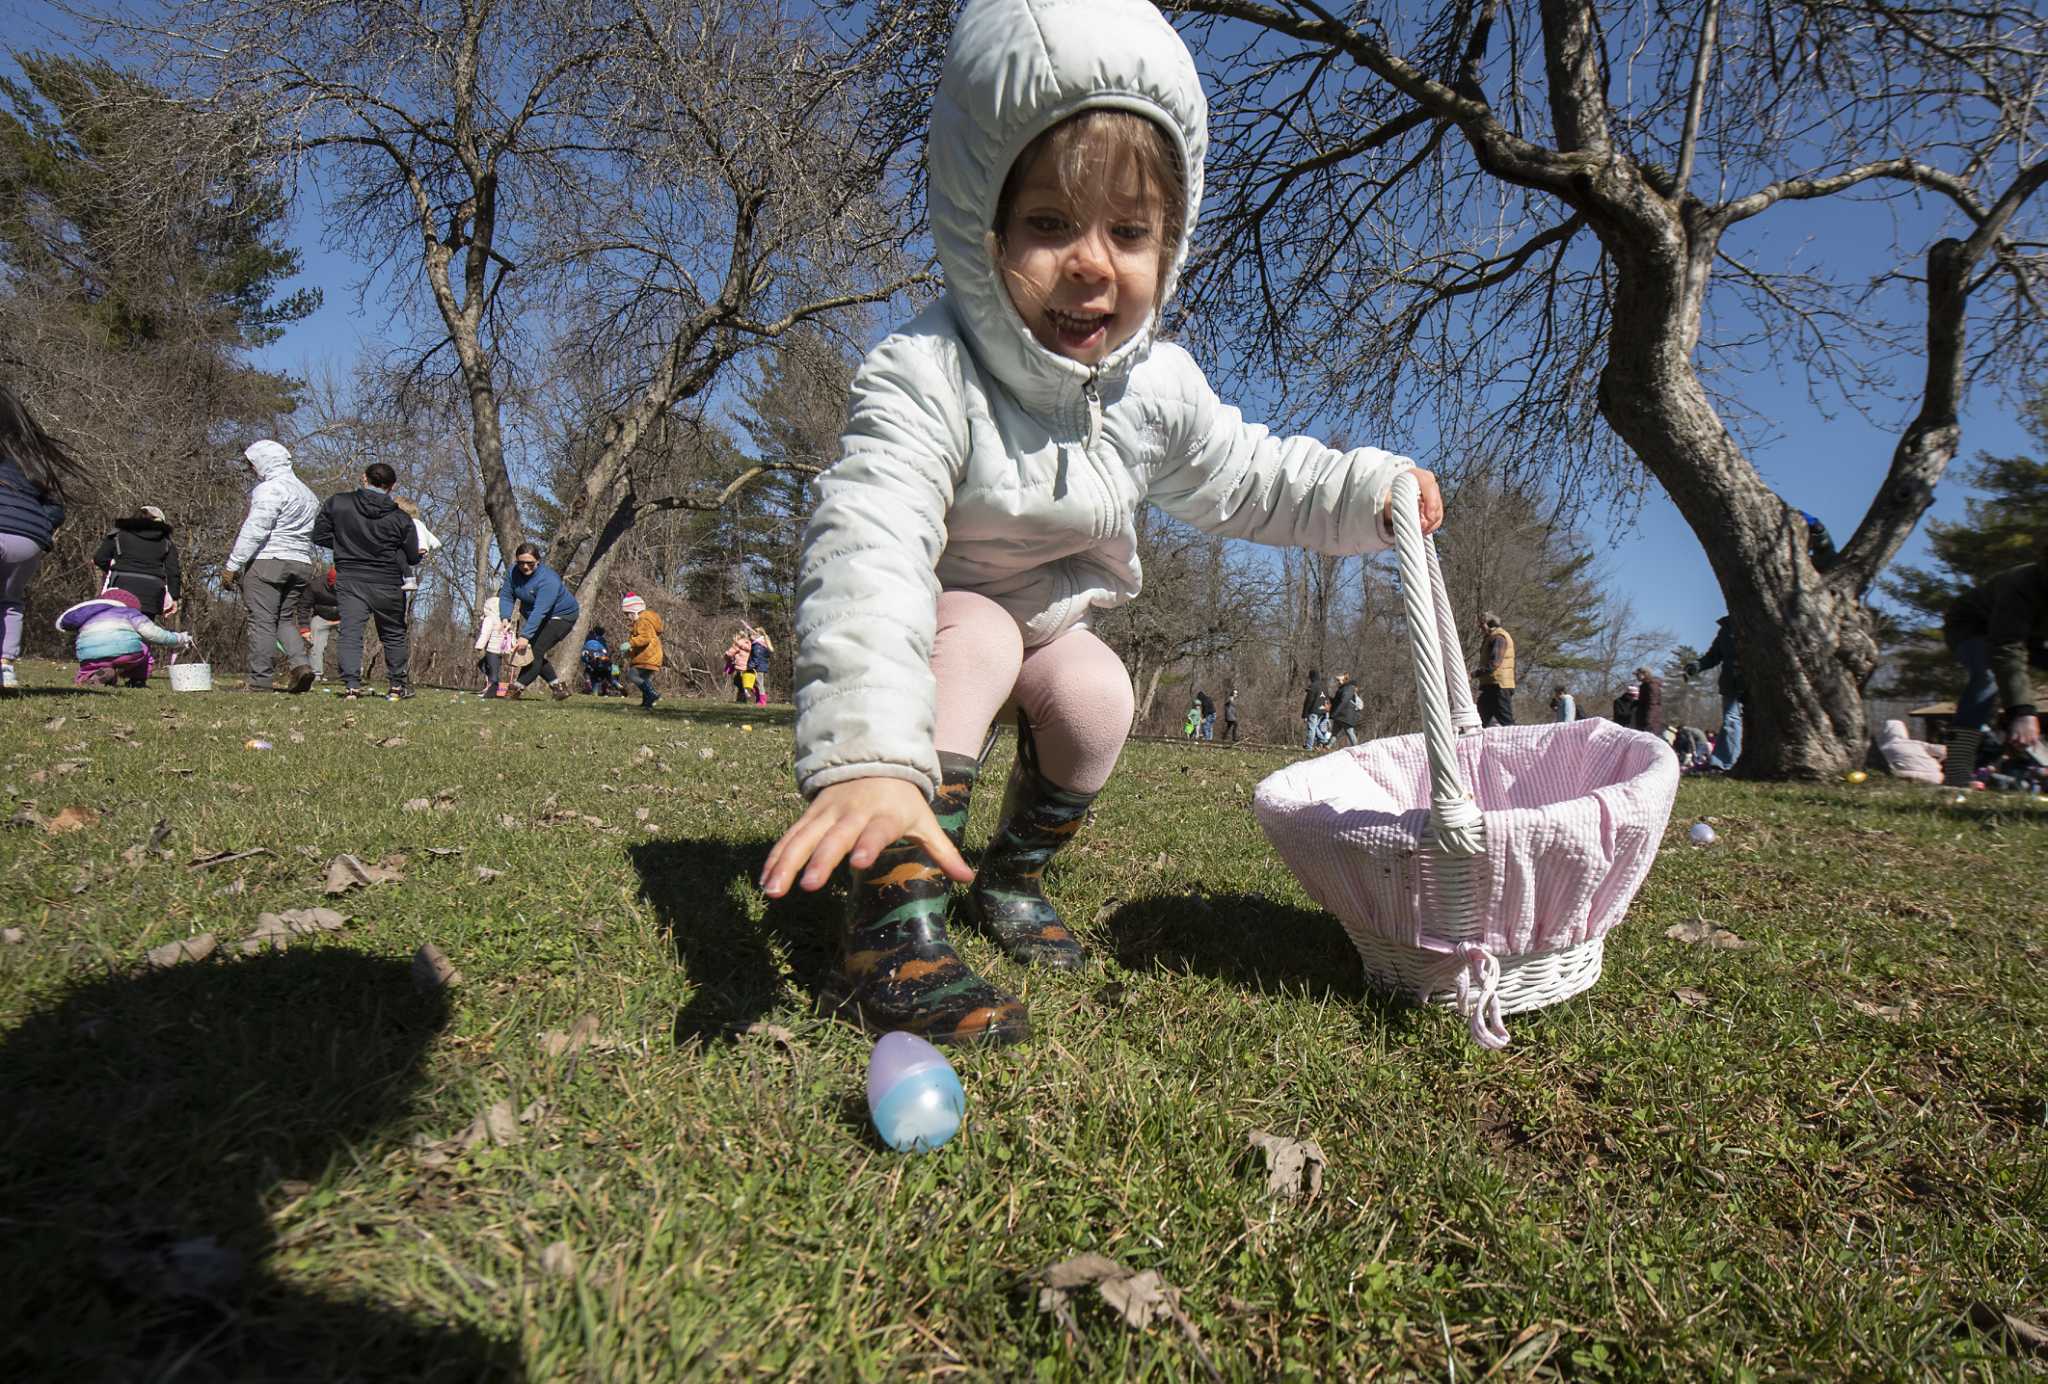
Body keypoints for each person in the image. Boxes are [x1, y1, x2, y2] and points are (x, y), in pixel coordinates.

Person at [757, 0, 1445, 1046]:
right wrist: (864, 755)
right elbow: (869, 547)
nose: (1089, 263)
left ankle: (1010, 876)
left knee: (1094, 691)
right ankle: (891, 920)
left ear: (1168, 245)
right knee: (979, 633)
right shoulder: (927, 372)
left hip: (1050, 626)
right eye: (1047, 224)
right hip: (941, 621)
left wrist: (1365, 494)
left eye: (1126, 232)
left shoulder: (1152, 389)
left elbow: (1245, 475)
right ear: (979, 228)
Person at [313, 462, 422, 701]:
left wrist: (347, 545)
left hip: (350, 577)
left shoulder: (338, 503)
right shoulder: (401, 518)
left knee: (351, 632)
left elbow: (319, 534)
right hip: (388, 581)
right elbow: (412, 556)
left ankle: (352, 685)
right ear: (392, 486)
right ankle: (396, 685)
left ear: (365, 479)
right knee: (393, 633)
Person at [0, 385, 84, 691]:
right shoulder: (30, 458)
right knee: (9, 602)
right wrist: (39, 531)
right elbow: (54, 508)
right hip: (29, 539)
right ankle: (5, 667)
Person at [1940, 554, 2047, 787]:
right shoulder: (2021, 584)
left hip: (2029, 636)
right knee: (1987, 676)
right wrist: (2022, 711)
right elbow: (2007, 649)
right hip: (1973, 626)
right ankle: (1957, 771)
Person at [223, 439, 319, 694]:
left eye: (253, 464)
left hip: (268, 561)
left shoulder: (270, 489)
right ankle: (301, 666)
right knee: (284, 619)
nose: (253, 470)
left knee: (262, 621)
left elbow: (255, 529)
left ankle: (260, 681)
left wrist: (233, 564)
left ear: (264, 462)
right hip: (300, 563)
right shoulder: (307, 493)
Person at [54, 587, 195, 686]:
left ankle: (89, 677)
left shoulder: (90, 616)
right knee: (144, 648)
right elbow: (155, 634)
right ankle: (137, 679)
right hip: (125, 653)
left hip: (89, 655)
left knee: (96, 661)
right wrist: (178, 639)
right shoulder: (129, 613)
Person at [496, 542, 579, 700]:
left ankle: (516, 689)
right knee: (535, 651)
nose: (525, 567)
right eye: (521, 563)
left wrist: (525, 635)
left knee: (534, 650)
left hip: (562, 615)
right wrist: (505, 617)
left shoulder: (548, 580)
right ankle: (559, 688)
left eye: (530, 563)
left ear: (538, 562)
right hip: (539, 615)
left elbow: (541, 610)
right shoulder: (513, 573)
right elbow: (507, 595)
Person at [93, 506, 182, 621]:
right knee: (143, 631)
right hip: (151, 594)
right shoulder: (166, 542)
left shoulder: (118, 534)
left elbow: (100, 558)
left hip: (121, 588)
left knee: (118, 628)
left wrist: (114, 569)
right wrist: (174, 597)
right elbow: (173, 571)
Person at [1683, 615, 1744, 772]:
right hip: (1732, 683)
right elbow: (1714, 655)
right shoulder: (1726, 629)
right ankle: (1723, 763)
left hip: (1756, 681)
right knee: (1731, 721)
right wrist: (1697, 666)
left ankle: (1727, 760)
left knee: (1738, 722)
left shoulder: (1759, 622)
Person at [296, 566, 341, 682]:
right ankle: (316, 674)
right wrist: (304, 629)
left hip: (344, 617)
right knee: (315, 645)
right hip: (321, 616)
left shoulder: (352, 584)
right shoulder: (315, 585)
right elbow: (303, 606)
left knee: (352, 642)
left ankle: (349, 674)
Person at [622, 593, 664, 710]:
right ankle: (647, 703)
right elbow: (640, 641)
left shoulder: (643, 621)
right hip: (650, 655)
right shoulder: (642, 621)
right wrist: (629, 652)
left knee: (633, 675)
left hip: (648, 656)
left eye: (628, 614)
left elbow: (645, 638)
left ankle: (652, 694)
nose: (627, 617)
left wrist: (629, 643)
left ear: (635, 611)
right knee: (643, 678)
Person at [1474, 613, 1516, 726]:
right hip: (1491, 685)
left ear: (1489, 624)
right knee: (1479, 720)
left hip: (1499, 686)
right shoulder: (1491, 637)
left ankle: (1518, 741)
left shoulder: (1498, 638)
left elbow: (1494, 664)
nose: (1481, 629)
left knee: (1506, 722)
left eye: (1482, 626)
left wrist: (1474, 674)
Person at [1631, 665, 1667, 740]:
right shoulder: (1645, 685)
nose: (1636, 677)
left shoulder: (1651, 685)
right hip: (1643, 719)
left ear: (1645, 674)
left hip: (1650, 722)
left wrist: (1649, 720)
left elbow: (1653, 703)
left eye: (1638, 674)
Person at [1330, 673, 1364, 746]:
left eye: (1340, 680)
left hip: (1345, 717)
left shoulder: (1348, 691)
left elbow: (1343, 702)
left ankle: (1357, 748)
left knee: (1349, 733)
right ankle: (1327, 747)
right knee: (1335, 733)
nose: (1338, 682)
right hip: (1342, 716)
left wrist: (1335, 712)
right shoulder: (1345, 690)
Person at [1300, 669, 1326, 750]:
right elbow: (1327, 699)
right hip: (1322, 711)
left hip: (1314, 711)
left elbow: (1309, 701)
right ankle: (1322, 740)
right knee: (1314, 727)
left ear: (1312, 677)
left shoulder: (1313, 686)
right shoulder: (1324, 686)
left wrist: (1305, 714)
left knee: (1311, 729)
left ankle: (1309, 747)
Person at [748, 627, 774, 705]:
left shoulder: (758, 646)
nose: (750, 635)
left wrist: (750, 666)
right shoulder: (759, 644)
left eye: (752, 634)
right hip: (759, 666)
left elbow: (757, 657)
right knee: (755, 683)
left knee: (759, 684)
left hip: (758, 667)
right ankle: (759, 699)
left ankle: (762, 701)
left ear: (757, 635)